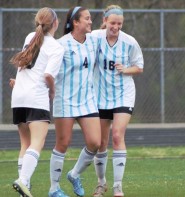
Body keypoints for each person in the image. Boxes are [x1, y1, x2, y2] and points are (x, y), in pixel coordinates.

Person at [9, 7, 64, 197]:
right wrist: (53, 91)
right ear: (55, 23)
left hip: (18, 97)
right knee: (37, 143)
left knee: (25, 143)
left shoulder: (30, 36)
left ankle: (26, 187)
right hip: (36, 97)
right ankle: (23, 181)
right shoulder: (56, 47)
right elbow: (48, 75)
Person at [91, 4, 144, 197]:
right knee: (101, 142)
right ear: (105, 21)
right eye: (112, 22)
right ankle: (101, 183)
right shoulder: (95, 37)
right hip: (100, 95)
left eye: (119, 23)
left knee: (117, 136)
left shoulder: (129, 42)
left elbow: (139, 67)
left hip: (123, 94)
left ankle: (117, 186)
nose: (116, 27)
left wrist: (125, 69)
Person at [48, 6, 101, 197]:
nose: (90, 21)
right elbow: (45, 68)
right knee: (62, 144)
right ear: (75, 22)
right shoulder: (60, 45)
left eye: (90, 18)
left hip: (87, 101)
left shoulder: (94, 41)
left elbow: (110, 31)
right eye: (86, 18)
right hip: (65, 100)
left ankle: (74, 174)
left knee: (95, 142)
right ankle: (54, 189)